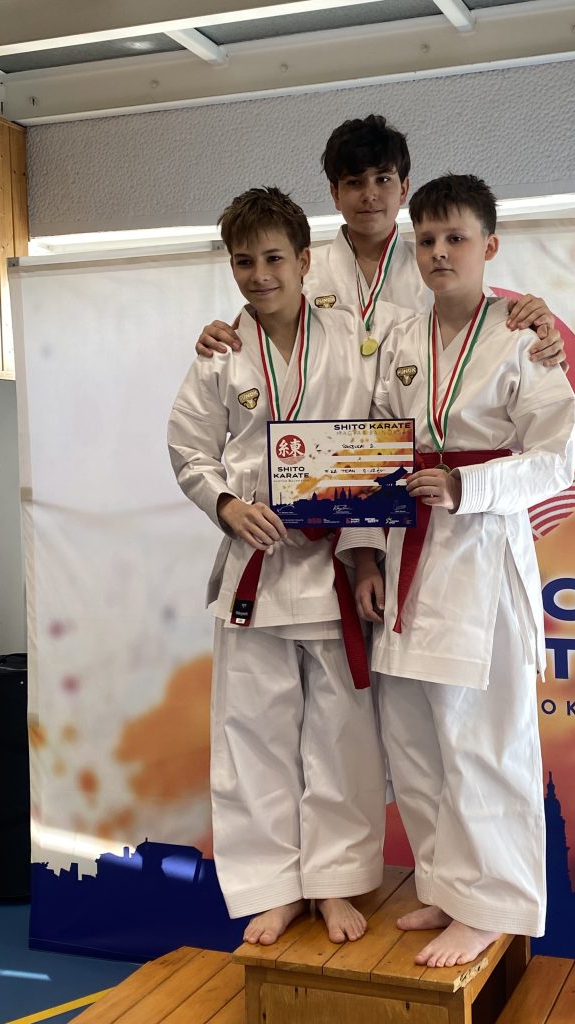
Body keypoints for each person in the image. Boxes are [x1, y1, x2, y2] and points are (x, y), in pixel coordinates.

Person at [344, 173, 575, 968]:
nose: (440, 252)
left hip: (479, 555)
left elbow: (555, 460)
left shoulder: (523, 338)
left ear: (489, 245)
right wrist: (364, 552)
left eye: (456, 238)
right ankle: (445, 885)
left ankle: (492, 904)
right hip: (407, 552)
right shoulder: (399, 341)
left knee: (482, 739)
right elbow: (373, 451)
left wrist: (466, 486)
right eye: (427, 240)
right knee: (414, 739)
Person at [167, 187, 401, 948]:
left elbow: (377, 440)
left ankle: (334, 883)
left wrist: (362, 552)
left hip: (330, 564)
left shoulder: (355, 339)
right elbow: (189, 448)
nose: (259, 274)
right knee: (252, 734)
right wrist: (226, 504)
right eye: (244, 261)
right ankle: (273, 888)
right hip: (256, 566)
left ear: (305, 261)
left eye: (274, 258)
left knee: (341, 734)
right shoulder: (220, 352)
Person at [194, 115, 566, 367]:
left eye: (383, 180)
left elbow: (488, 332)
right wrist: (222, 338)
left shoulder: (437, 269)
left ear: (403, 188)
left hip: (414, 438)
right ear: (335, 193)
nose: (370, 194)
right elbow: (259, 343)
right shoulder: (301, 270)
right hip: (327, 440)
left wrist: (536, 325)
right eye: (354, 182)